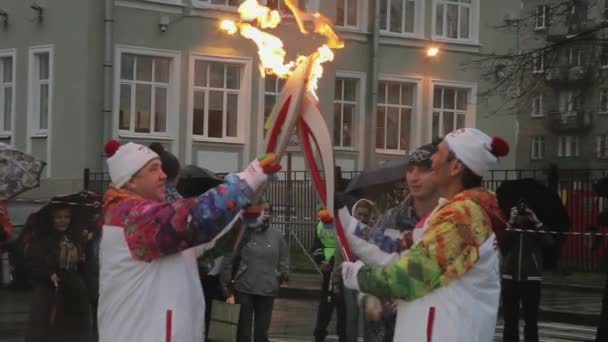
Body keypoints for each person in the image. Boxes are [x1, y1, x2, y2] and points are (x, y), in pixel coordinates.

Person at [97, 141, 280, 342]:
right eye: (153, 169)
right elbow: (198, 218)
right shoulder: (131, 218)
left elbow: (209, 249)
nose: (163, 175)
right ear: (130, 181)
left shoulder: (157, 227)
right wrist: (247, 179)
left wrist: (243, 222)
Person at [340, 128, 509, 342]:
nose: (433, 159)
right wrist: (346, 222)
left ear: (455, 167)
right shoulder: (448, 212)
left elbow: (411, 275)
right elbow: (399, 248)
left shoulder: (462, 219)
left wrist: (359, 276)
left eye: (438, 153)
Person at [356, 144, 440, 342]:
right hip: (385, 332)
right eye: (410, 170)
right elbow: (368, 264)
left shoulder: (446, 224)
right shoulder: (390, 219)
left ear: (438, 176)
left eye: (423, 170)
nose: (414, 176)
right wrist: (370, 297)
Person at [221, 199, 289, 342]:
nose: (264, 214)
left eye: (268, 211)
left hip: (267, 288)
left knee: (262, 333)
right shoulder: (244, 232)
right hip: (245, 287)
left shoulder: (277, 236)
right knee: (244, 333)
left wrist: (282, 275)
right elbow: (229, 255)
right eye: (261, 211)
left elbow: (284, 258)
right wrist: (226, 281)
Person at [25, 204, 91, 342]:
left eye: (66, 217)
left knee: (72, 330)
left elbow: (79, 265)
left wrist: (81, 259)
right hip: (49, 290)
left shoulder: (74, 237)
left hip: (73, 290)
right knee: (47, 326)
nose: (63, 221)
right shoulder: (42, 239)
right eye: (58, 217)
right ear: (51, 219)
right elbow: (33, 263)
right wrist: (49, 274)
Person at [500, 203, 553, 342]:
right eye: (519, 215)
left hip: (531, 280)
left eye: (524, 215)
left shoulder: (536, 230)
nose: (521, 218)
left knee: (531, 321)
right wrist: (510, 222)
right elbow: (501, 243)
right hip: (509, 279)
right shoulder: (510, 230)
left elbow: (549, 242)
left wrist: (536, 220)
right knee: (510, 320)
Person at [312, 204, 345, 342]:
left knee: (344, 311)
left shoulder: (343, 223)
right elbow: (316, 247)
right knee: (325, 308)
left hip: (343, 273)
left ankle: (344, 335)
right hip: (329, 276)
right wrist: (321, 260)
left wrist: (330, 261)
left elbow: (344, 247)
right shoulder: (321, 227)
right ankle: (319, 335)